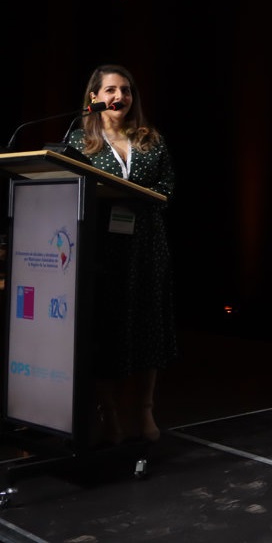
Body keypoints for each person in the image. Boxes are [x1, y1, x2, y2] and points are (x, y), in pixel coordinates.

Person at [68, 65, 177, 444]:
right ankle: (108, 413)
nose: (120, 97)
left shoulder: (151, 139)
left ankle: (145, 411)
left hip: (147, 246)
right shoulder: (80, 142)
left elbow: (167, 187)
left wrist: (139, 197)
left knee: (148, 329)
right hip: (103, 251)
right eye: (111, 90)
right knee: (105, 331)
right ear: (94, 98)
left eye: (126, 90)